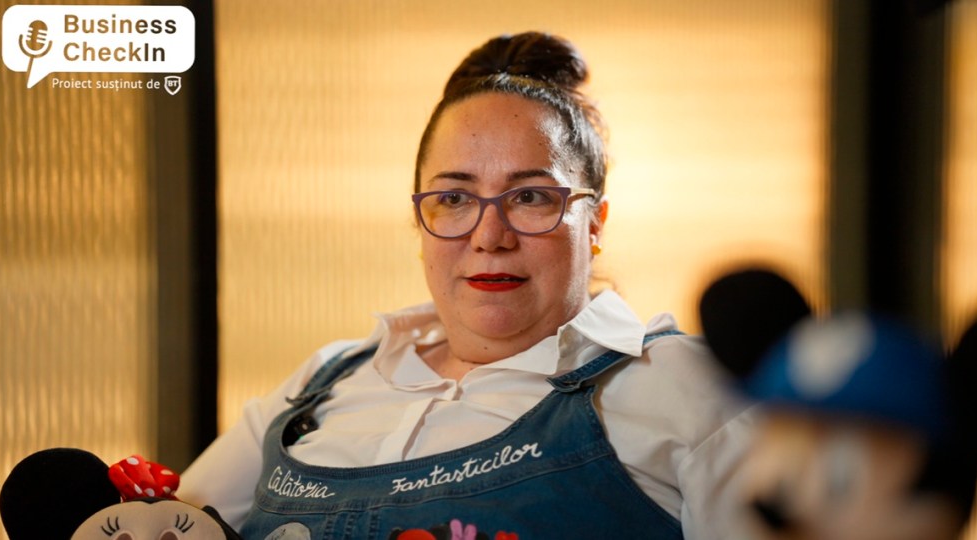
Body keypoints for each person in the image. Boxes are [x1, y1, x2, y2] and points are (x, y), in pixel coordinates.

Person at [179, 31, 755, 539]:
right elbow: (167, 524)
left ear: (595, 223)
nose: (489, 236)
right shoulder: (324, 379)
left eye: (531, 197)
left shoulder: (687, 385)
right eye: (454, 198)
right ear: (420, 219)